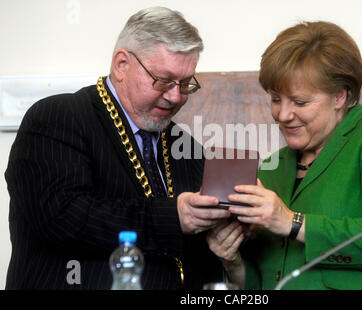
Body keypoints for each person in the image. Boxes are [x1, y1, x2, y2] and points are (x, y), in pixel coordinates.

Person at [5, 7, 230, 290]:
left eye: (185, 84)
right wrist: (175, 216)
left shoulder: (186, 146)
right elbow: (62, 216)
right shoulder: (57, 117)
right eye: (162, 80)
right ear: (122, 64)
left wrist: (229, 226)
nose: (175, 97)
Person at [206, 21, 362, 290]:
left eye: (299, 102)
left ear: (339, 96)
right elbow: (264, 283)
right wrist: (232, 261)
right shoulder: (271, 169)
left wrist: (292, 222)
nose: (283, 115)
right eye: (276, 99)